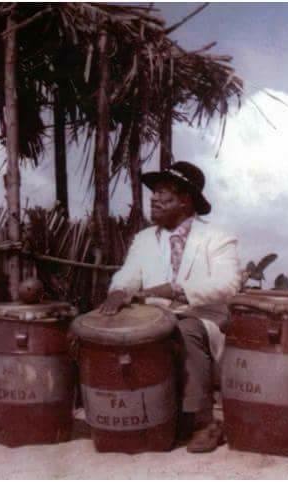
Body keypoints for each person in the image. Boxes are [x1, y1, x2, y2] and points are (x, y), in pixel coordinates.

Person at [100, 161, 241, 453]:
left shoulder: (217, 238)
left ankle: (205, 422)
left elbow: (228, 284)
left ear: (186, 200)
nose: (153, 198)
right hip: (154, 319)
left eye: (164, 193)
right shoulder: (144, 239)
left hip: (203, 320)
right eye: (153, 192)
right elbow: (129, 274)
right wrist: (118, 291)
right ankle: (145, 414)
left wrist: (176, 289)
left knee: (185, 328)